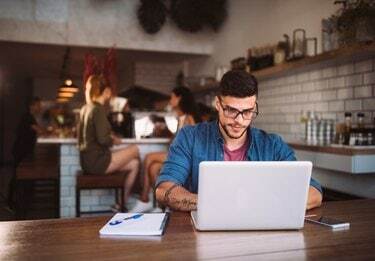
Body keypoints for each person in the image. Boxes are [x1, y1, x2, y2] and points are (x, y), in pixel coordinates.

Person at [155, 70, 323, 211]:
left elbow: (314, 192)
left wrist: (262, 205)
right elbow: (163, 190)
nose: (240, 120)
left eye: (247, 112)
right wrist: (214, 204)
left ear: (254, 105)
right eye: (231, 111)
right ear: (218, 104)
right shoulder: (189, 137)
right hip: (200, 236)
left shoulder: (271, 145)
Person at [131, 86, 200, 212]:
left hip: (185, 158)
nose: (170, 100)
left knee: (148, 157)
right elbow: (176, 140)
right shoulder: (181, 117)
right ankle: (161, 206)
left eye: (172, 97)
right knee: (153, 168)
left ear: (179, 99)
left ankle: (144, 198)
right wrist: (164, 130)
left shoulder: (189, 118)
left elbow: (193, 143)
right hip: (178, 154)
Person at [78, 75, 140, 209]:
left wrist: (108, 136)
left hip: (87, 162)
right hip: (98, 162)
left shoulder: (86, 108)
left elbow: (91, 135)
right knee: (135, 149)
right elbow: (103, 139)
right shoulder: (98, 109)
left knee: (134, 164)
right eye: (110, 90)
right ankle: (142, 195)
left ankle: (120, 204)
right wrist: (114, 140)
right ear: (105, 90)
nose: (111, 93)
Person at [12, 97, 46, 166]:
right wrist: (47, 131)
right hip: (22, 149)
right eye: (38, 105)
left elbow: (38, 129)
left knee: (20, 171)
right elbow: (39, 130)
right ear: (31, 106)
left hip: (23, 148)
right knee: (20, 172)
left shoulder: (30, 116)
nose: (40, 107)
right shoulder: (28, 117)